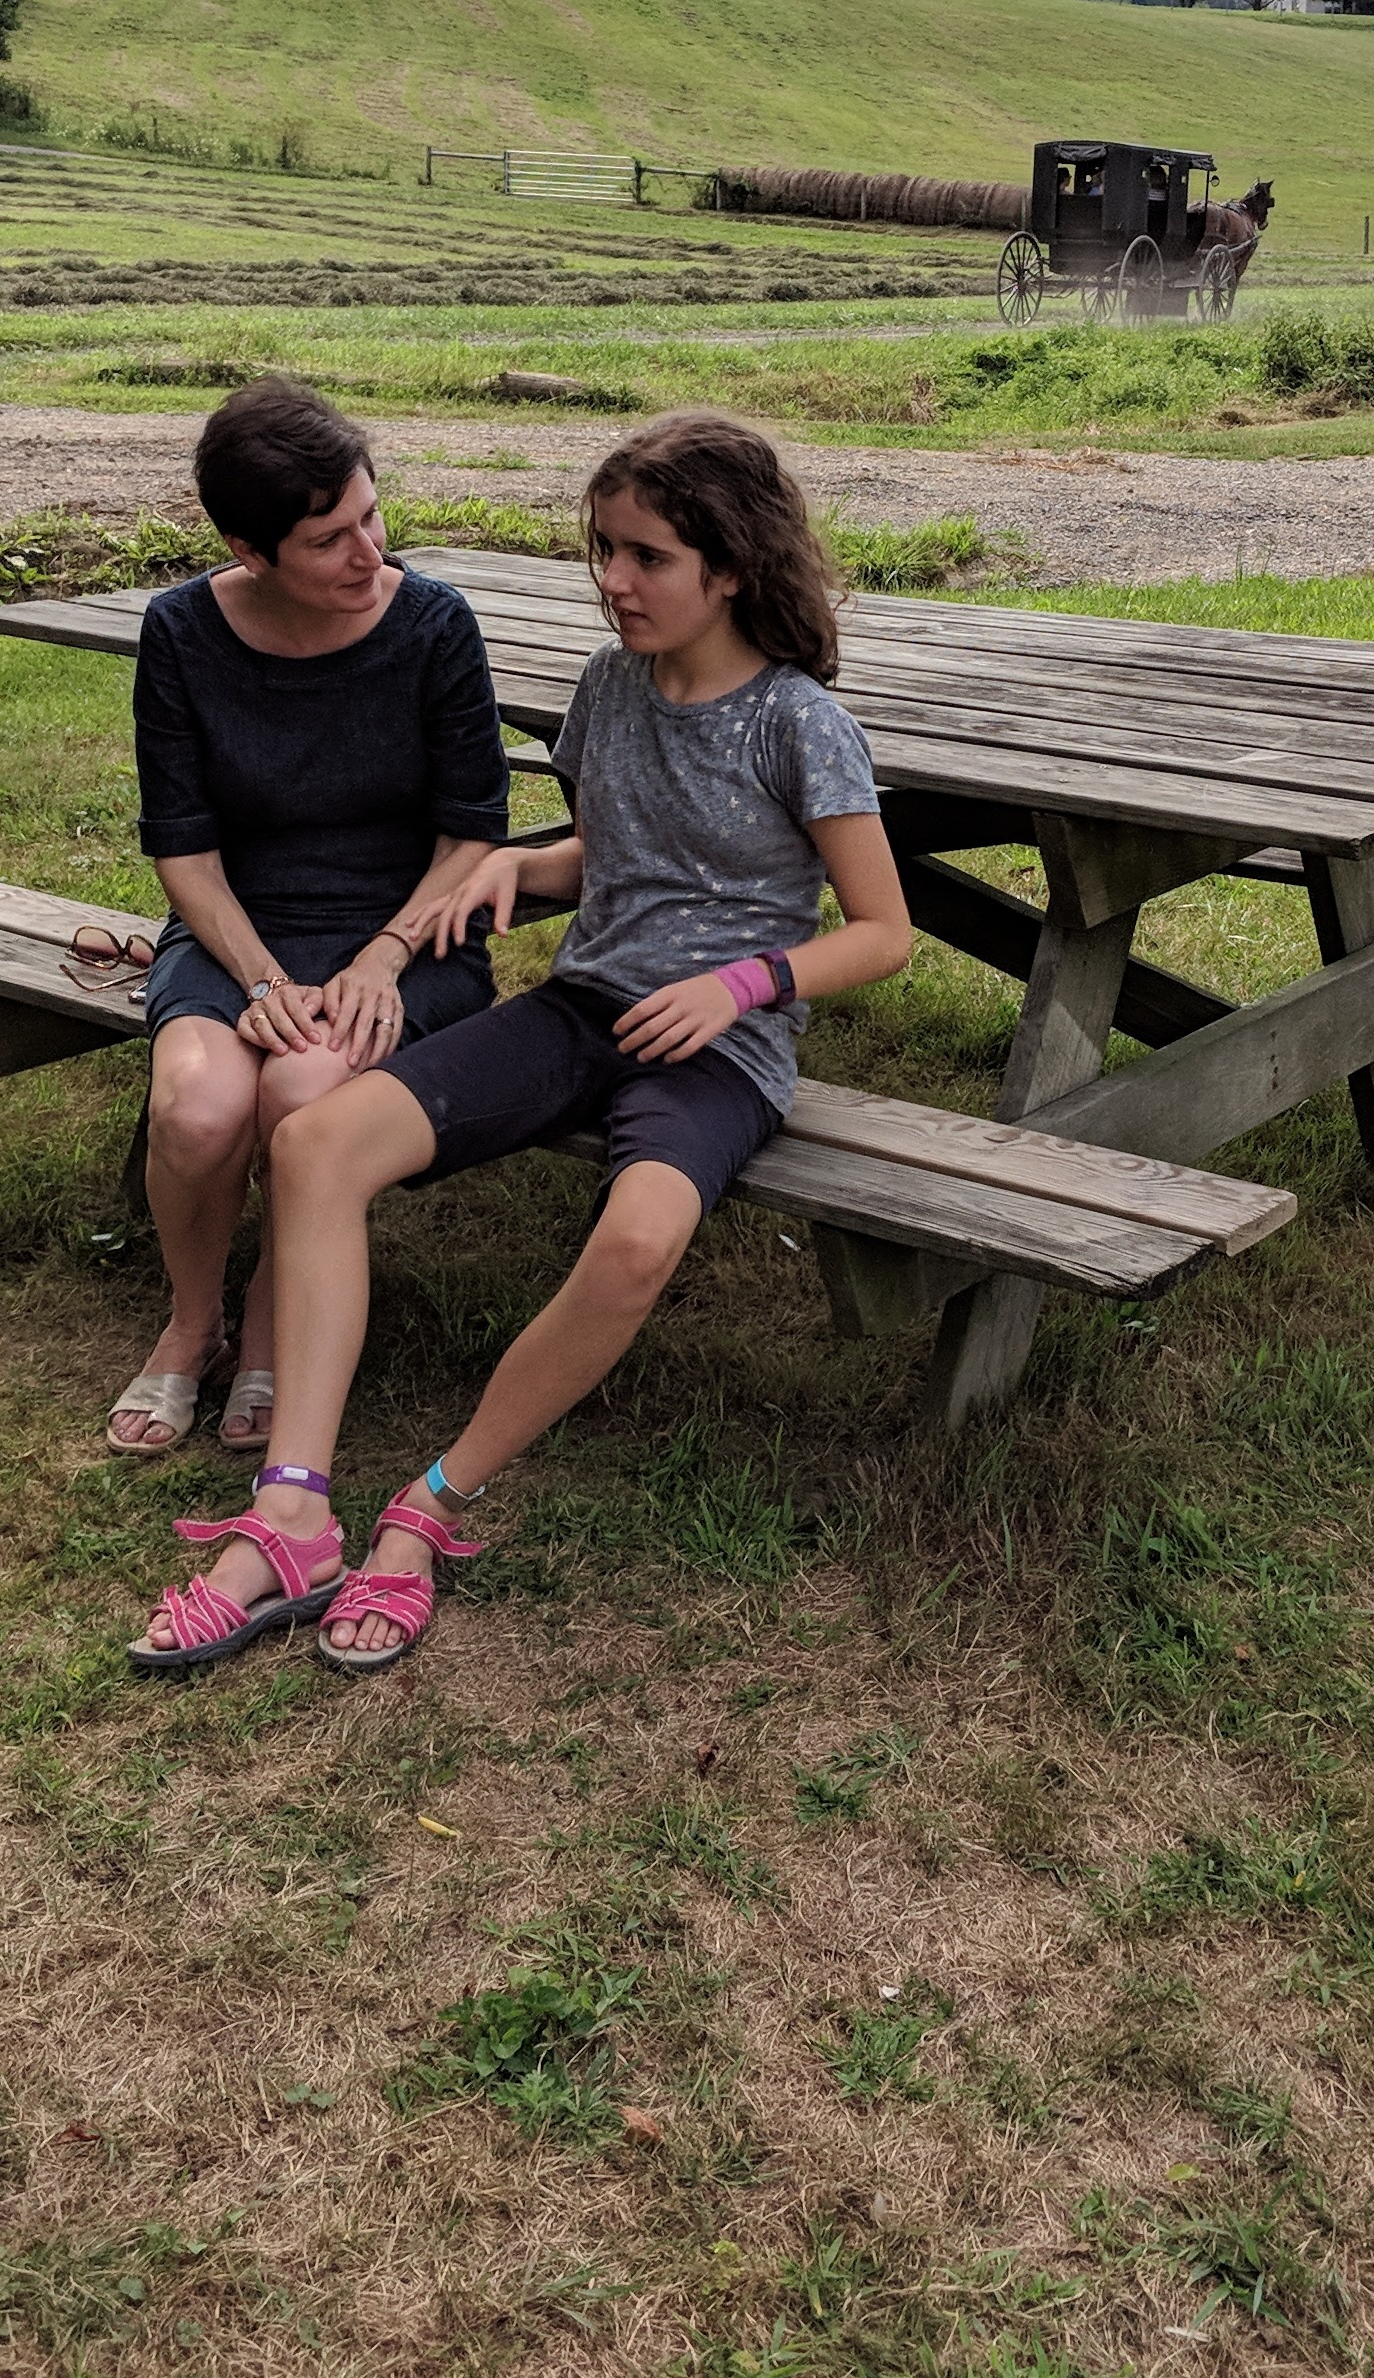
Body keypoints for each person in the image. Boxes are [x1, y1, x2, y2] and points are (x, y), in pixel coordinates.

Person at [128, 414, 912, 1676]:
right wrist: (512, 869)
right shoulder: (612, 686)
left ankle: (430, 1506)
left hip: (722, 1049)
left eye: (646, 556)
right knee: (318, 1142)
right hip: (583, 1006)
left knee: (639, 1241)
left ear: (730, 566)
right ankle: (293, 1516)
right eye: (604, 549)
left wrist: (742, 985)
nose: (613, 580)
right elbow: (616, 853)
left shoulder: (799, 722)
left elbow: (882, 933)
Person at [105, 379, 510, 1460]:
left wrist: (385, 956)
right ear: (248, 550)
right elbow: (184, 851)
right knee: (198, 1109)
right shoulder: (181, 632)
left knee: (303, 1091)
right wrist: (261, 979)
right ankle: (193, 1322)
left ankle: (276, 1320)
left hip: (411, 934)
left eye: (371, 517)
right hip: (241, 929)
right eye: (328, 540)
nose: (369, 554)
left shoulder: (434, 626)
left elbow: (475, 835)